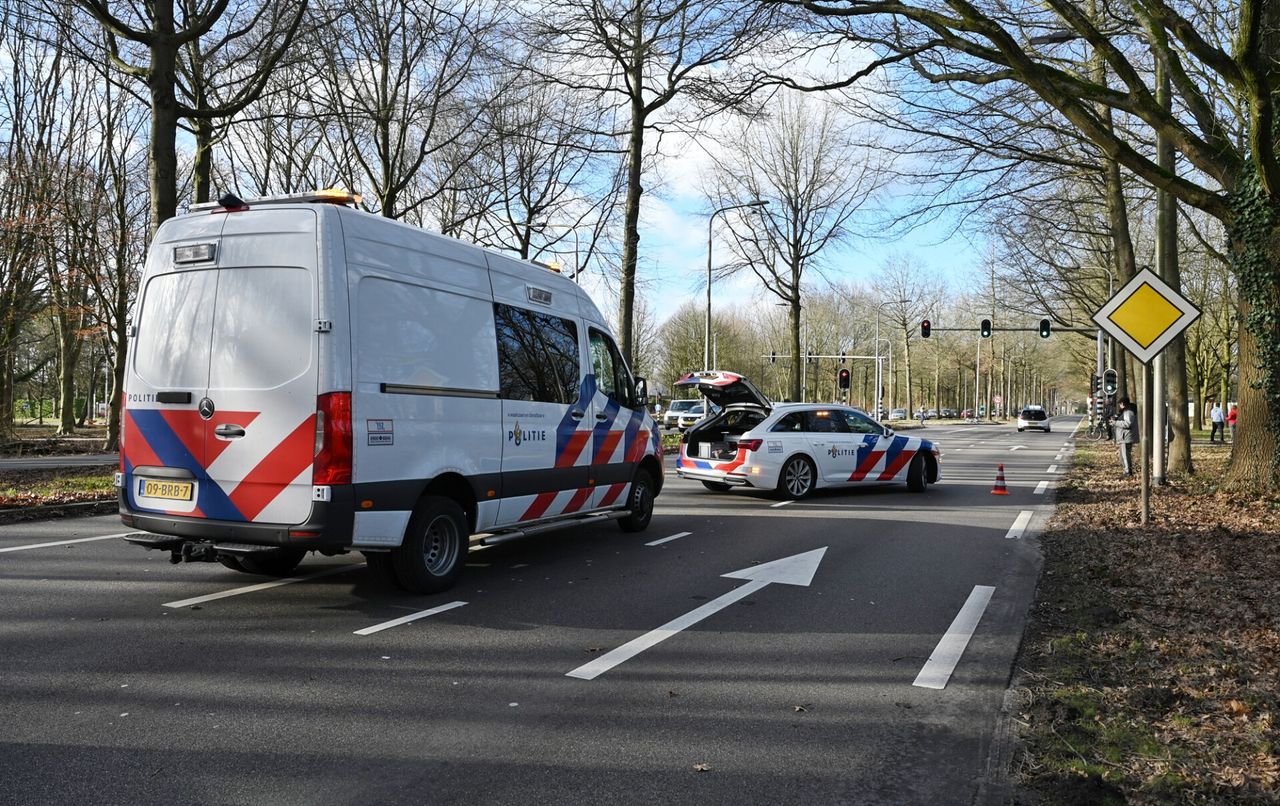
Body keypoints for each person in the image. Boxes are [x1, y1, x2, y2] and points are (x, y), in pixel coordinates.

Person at [1113, 397, 1139, 476]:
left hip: (1126, 436)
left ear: (1123, 404)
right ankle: (1127, 470)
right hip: (1125, 436)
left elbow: (1128, 423)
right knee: (1124, 454)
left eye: (1120, 404)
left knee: (1125, 455)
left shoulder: (1128, 412)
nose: (1120, 406)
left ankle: (1128, 471)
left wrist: (1115, 422)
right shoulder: (1127, 411)